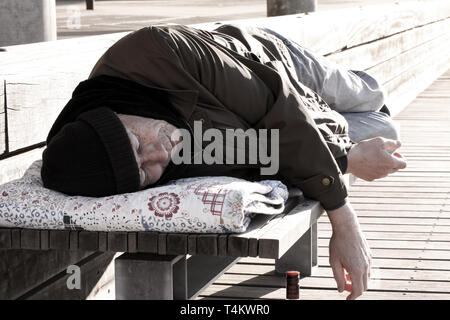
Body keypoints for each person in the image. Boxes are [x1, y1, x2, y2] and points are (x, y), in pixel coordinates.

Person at [41, 24, 407, 299]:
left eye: (137, 142)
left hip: (272, 64)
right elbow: (259, 153)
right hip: (285, 122)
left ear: (115, 113)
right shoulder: (170, 157)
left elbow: (278, 107)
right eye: (142, 171)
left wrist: (344, 220)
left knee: (370, 95)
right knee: (384, 125)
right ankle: (341, 124)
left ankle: (346, 95)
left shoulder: (158, 50)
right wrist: (344, 156)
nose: (159, 154)